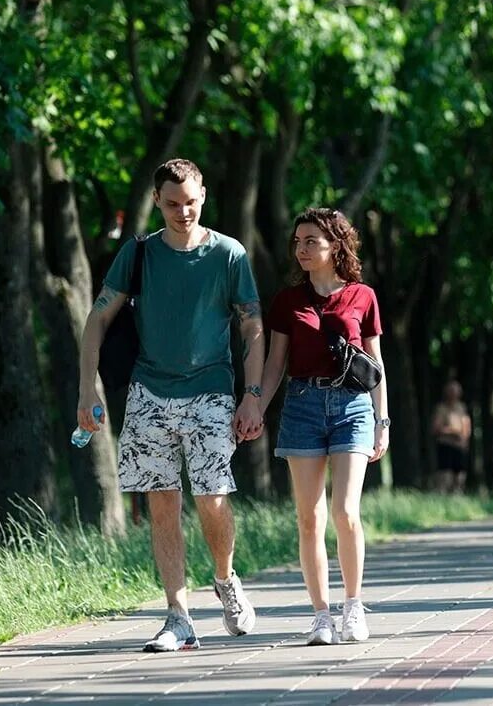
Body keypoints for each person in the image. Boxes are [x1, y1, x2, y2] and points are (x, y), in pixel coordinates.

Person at [76, 158, 262, 652]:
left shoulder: (229, 254)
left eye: (192, 202)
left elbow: (251, 326)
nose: (183, 212)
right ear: (157, 200)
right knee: (162, 506)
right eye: (173, 203)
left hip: (210, 389)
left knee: (211, 498)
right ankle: (177, 616)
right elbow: (97, 319)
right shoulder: (138, 254)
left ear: (204, 196)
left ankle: (225, 580)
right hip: (149, 392)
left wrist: (254, 395)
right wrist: (86, 390)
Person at [257, 207, 389, 646]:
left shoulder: (362, 296)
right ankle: (320, 616)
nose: (301, 249)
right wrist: (255, 405)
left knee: (345, 512)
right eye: (297, 242)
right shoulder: (287, 301)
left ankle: (354, 607)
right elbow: (275, 363)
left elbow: (375, 365)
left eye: (311, 240)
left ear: (336, 245)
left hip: (353, 406)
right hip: (302, 406)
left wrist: (382, 420)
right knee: (308, 518)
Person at [432, 381, 471, 494]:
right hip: (445, 445)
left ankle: (457, 496)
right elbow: (436, 428)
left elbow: (466, 425)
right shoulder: (441, 408)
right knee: (445, 475)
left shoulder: (461, 407)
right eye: (451, 391)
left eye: (456, 391)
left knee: (460, 475)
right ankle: (442, 496)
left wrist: (464, 439)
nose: (454, 394)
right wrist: (453, 432)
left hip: (460, 446)